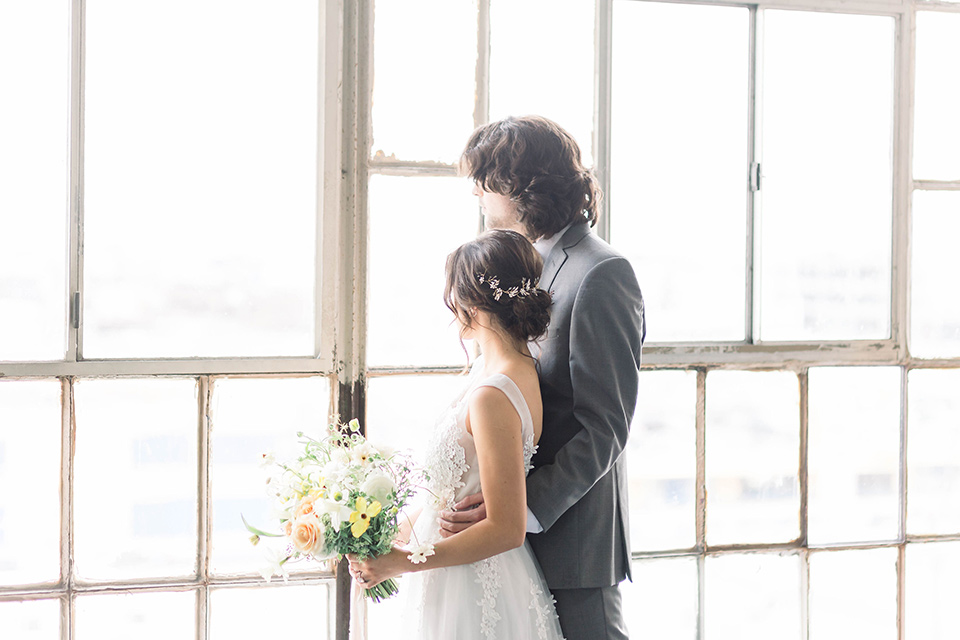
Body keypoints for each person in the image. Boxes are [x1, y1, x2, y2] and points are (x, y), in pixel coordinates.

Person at [439, 116, 645, 640]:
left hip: (572, 542)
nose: (479, 197)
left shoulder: (602, 273)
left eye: (486, 182)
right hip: (507, 550)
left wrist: (524, 508)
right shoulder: (523, 263)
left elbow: (606, 427)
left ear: (522, 185)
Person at [348, 229, 566, 639]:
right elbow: (454, 491)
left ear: (475, 305)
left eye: (455, 299)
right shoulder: (501, 369)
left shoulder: (492, 394)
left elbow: (506, 528)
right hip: (448, 570)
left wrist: (404, 561)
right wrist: (393, 531)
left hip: (473, 580)